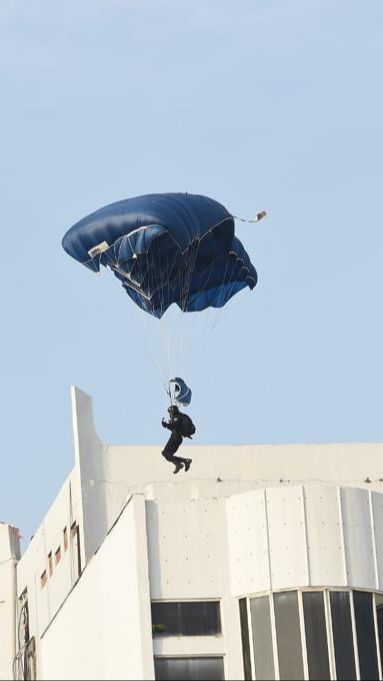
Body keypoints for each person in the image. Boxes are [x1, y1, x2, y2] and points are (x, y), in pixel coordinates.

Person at [161, 405, 195, 474]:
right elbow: (175, 428)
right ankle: (184, 461)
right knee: (168, 455)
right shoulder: (179, 416)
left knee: (165, 453)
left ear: (172, 410)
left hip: (175, 438)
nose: (170, 414)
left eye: (170, 412)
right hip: (177, 438)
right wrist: (167, 425)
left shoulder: (176, 417)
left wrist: (166, 425)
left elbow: (174, 426)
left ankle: (179, 464)